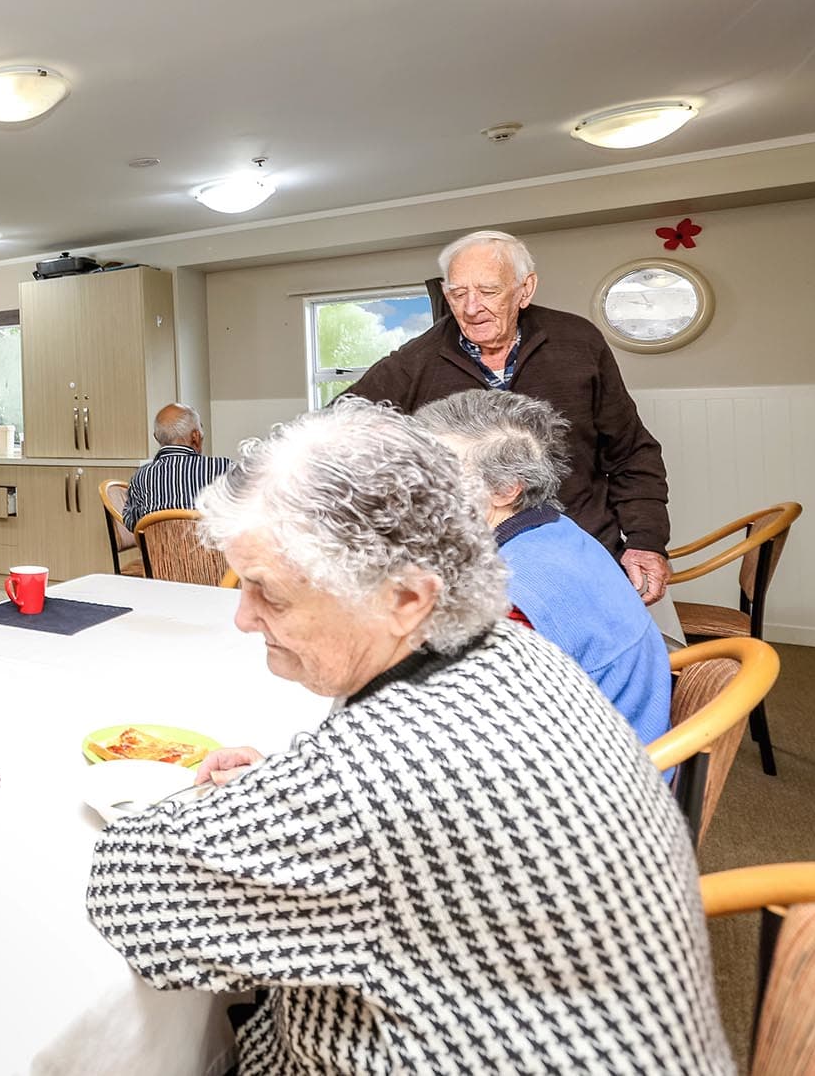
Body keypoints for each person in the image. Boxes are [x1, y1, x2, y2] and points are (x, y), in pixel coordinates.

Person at [86, 400, 729, 1074]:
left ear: (406, 598)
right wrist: (285, 799)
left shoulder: (384, 767)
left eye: (268, 591)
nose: (243, 617)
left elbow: (130, 895)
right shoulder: (512, 650)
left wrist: (277, 806)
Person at [343, 229, 672, 603]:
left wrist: (646, 541)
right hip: (470, 568)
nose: (471, 308)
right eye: (457, 293)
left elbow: (631, 453)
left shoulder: (579, 342)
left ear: (524, 289)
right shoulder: (416, 359)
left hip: (580, 546)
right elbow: (337, 430)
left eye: (487, 291)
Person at [415, 390, 672, 741]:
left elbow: (467, 726)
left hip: (594, 761)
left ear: (506, 489)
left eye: (439, 474)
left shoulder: (507, 601)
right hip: (625, 731)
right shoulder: (556, 530)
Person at [121, 402, 235, 531]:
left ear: (156, 438)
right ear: (195, 436)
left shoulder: (141, 476)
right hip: (210, 544)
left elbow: (131, 522)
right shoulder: (223, 468)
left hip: (158, 544)